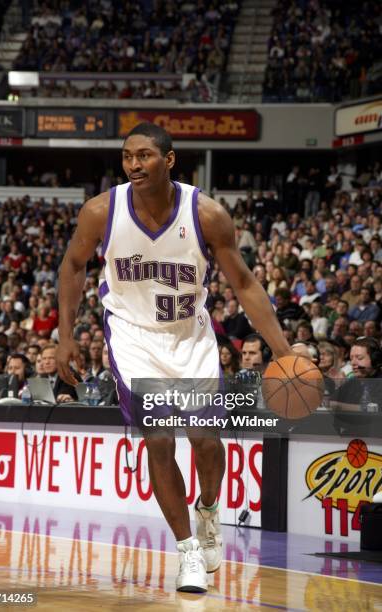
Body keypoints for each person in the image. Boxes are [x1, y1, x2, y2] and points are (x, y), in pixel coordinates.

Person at [57, 122, 293, 593]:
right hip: (133, 335)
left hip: (190, 336)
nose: (133, 164)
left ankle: (208, 508)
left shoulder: (207, 214)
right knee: (159, 438)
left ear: (168, 160)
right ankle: (186, 550)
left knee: (206, 441)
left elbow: (244, 284)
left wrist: (283, 350)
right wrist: (64, 336)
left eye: (143, 155)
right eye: (127, 156)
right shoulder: (100, 211)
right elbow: (72, 266)